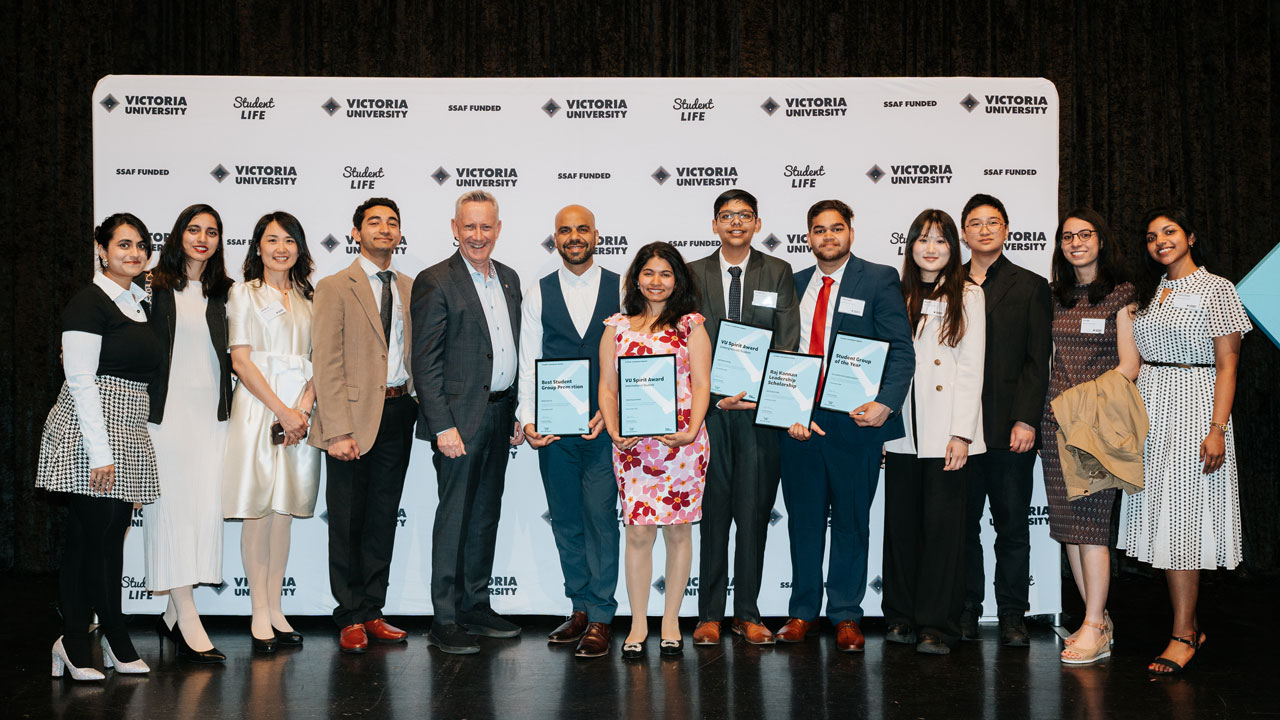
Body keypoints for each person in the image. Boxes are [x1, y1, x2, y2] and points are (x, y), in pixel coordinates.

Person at [775, 199, 914, 652]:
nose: (827, 237)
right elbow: (782, 357)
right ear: (808, 237)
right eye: (818, 230)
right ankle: (802, 613)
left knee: (852, 522)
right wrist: (787, 411)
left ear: (851, 232)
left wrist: (886, 405)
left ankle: (847, 615)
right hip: (800, 425)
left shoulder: (878, 279)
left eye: (836, 229)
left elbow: (901, 351)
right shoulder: (791, 284)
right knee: (804, 522)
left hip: (856, 425)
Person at [38, 213, 163, 679]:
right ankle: (107, 639)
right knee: (101, 538)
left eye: (140, 246)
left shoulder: (137, 302)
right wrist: (100, 452)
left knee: (96, 539)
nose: (133, 253)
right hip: (90, 430)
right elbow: (81, 381)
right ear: (102, 248)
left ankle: (74, 639)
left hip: (127, 425)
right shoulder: (88, 303)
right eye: (123, 244)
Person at [1126, 208, 1249, 675]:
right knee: (1167, 522)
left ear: (1191, 236)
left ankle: (1181, 636)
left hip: (1196, 409)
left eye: (1170, 232)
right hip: (1153, 409)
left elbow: (1228, 366)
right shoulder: (1154, 291)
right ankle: (1191, 625)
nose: (1160, 241)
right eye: (1152, 235)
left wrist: (1216, 427)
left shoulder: (1218, 288)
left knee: (1183, 523)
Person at [412, 190, 524, 655]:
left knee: (484, 516)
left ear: (498, 229)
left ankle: (475, 605)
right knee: (455, 517)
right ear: (455, 229)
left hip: (500, 415)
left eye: (487, 227)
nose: (478, 236)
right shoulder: (435, 280)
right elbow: (426, 361)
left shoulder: (511, 278)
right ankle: (445, 617)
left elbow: (513, 347)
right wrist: (442, 426)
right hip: (458, 422)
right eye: (469, 227)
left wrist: (520, 411)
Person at [687, 189, 799, 646]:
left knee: (753, 513)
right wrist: (714, 396)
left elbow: (787, 343)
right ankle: (709, 614)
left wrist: (761, 395)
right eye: (726, 216)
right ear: (714, 224)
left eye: (745, 216)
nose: (736, 222)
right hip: (708, 412)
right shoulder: (692, 274)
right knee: (713, 513)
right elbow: (683, 341)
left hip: (759, 414)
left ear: (757, 223)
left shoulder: (778, 271)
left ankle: (747, 613)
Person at [310, 198, 417, 654]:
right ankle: (349, 614)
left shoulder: (412, 286)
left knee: (381, 520)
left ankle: (373, 610)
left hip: (398, 412)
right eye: (374, 222)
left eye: (392, 222)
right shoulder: (335, 286)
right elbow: (326, 360)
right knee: (349, 521)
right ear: (356, 232)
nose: (384, 229)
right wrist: (336, 429)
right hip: (350, 420)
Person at [598, 241, 711, 660]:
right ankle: (638, 622)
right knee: (639, 533)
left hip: (682, 444)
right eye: (649, 273)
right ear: (636, 279)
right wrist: (612, 428)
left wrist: (691, 429)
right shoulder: (617, 326)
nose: (657, 281)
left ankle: (670, 621)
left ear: (677, 279)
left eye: (666, 273)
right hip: (633, 448)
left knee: (679, 533)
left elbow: (702, 384)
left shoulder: (691, 325)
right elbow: (607, 387)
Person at [518, 205, 621, 658]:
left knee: (601, 520)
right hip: (555, 432)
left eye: (582, 228)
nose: (574, 236)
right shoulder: (538, 292)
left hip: (605, 430)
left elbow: (633, 357)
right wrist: (528, 419)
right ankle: (578, 606)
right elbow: (528, 360)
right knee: (565, 520)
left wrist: (612, 411)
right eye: (565, 230)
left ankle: (601, 616)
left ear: (596, 235)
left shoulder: (624, 288)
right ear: (555, 238)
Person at [882, 209, 986, 655]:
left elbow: (970, 368)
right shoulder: (894, 293)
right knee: (901, 528)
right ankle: (900, 617)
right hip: (901, 429)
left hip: (946, 431)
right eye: (922, 239)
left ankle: (935, 625)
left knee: (943, 532)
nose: (930, 248)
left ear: (953, 247)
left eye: (940, 240)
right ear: (910, 246)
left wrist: (961, 433)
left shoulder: (970, 295)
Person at [1040, 208, 1140, 664]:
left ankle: (1095, 625)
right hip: (1053, 421)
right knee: (1070, 529)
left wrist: (1083, 404)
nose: (1076, 242)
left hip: (1095, 426)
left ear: (1101, 240)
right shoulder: (1055, 295)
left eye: (1085, 234)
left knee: (1093, 527)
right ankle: (1094, 619)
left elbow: (1129, 366)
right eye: (1067, 237)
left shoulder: (1121, 294)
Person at [222, 211, 321, 653]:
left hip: (301, 414)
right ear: (257, 247)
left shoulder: (310, 297)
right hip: (260, 408)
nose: (281, 247)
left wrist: (303, 406)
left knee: (284, 512)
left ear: (299, 247)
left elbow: (323, 359)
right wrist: (281, 410)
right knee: (257, 510)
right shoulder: (244, 293)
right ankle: (258, 609)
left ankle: (277, 606)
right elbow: (241, 360)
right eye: (272, 239)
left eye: (289, 240)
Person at [958, 193, 1052, 646]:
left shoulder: (1031, 285)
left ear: (1007, 230)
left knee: (1012, 526)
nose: (983, 230)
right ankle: (966, 612)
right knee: (962, 527)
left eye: (992, 222)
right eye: (974, 223)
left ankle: (1013, 613)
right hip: (958, 431)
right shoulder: (945, 284)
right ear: (963, 233)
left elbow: (1038, 361)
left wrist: (1027, 420)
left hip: (1009, 430)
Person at [142, 203, 234, 664]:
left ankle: (171, 616)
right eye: (194, 230)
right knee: (172, 514)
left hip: (212, 419)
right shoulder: (152, 286)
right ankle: (190, 619)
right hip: (166, 420)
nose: (202, 238)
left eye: (212, 232)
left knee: (202, 514)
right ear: (178, 235)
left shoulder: (224, 293)